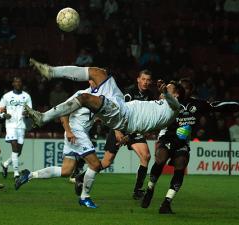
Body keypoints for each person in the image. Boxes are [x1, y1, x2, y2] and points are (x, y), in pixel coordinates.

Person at [23, 58, 181, 207]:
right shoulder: (159, 101)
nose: (164, 89)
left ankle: (43, 118)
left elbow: (173, 104)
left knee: (84, 98)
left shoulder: (174, 106)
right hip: (120, 105)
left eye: (168, 89)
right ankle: (51, 72)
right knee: (98, 72)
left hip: (122, 117)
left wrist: (167, 94)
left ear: (176, 95)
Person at [141, 79, 239, 214]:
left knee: (181, 164)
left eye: (186, 88)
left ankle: (167, 202)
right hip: (167, 137)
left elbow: (218, 106)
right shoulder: (169, 101)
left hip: (182, 142)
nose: (183, 89)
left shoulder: (197, 104)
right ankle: (150, 188)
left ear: (190, 91)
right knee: (160, 160)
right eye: (181, 87)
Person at [15, 81, 108, 209]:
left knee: (66, 171)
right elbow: (63, 112)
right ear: (90, 81)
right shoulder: (81, 94)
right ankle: (84, 197)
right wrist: (69, 131)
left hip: (78, 134)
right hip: (75, 133)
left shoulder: (102, 98)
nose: (98, 83)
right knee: (95, 164)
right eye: (95, 80)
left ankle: (29, 175)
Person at [101, 69, 155, 200]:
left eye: (148, 80)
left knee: (146, 156)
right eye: (143, 79)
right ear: (138, 79)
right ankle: (82, 176)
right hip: (119, 127)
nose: (145, 82)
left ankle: (137, 191)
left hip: (134, 130)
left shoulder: (150, 96)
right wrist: (117, 130)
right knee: (106, 162)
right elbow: (117, 110)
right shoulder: (129, 92)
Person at [0, 76, 32, 180]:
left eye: (19, 82)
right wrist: (4, 115)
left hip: (21, 125)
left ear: (22, 84)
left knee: (19, 151)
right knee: (14, 146)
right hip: (10, 125)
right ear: (13, 84)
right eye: (16, 82)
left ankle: (5, 164)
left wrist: (27, 113)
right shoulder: (6, 96)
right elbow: (0, 110)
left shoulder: (26, 96)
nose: (17, 83)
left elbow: (30, 110)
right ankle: (16, 173)